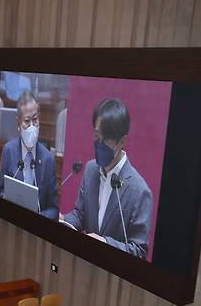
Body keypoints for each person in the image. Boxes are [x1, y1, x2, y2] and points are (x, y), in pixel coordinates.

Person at [62, 98, 153, 259]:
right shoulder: (90, 170)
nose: (99, 144)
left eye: (105, 140)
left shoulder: (139, 191)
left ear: (122, 141)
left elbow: (139, 252)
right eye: (97, 136)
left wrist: (104, 243)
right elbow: (80, 215)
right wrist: (64, 222)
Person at [0, 90, 58, 220]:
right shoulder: (9, 151)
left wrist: (38, 218)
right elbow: (0, 192)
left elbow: (54, 209)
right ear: (18, 124)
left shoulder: (48, 159)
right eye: (27, 121)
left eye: (35, 120)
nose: (32, 126)